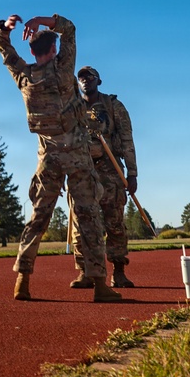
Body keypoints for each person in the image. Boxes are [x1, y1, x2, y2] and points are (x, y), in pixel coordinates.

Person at [0, 14, 120, 303]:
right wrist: (44, 20)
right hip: (77, 154)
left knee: (38, 217)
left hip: (49, 156)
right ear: (53, 50)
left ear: (31, 51)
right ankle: (100, 285)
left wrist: (3, 30)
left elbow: (5, 52)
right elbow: (70, 30)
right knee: (88, 215)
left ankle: (22, 281)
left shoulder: (24, 76)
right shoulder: (65, 71)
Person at [67, 65, 138, 288]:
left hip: (110, 170)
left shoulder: (114, 106)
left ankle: (119, 271)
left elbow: (127, 139)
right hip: (81, 170)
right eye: (81, 78)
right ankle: (86, 272)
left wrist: (132, 173)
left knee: (114, 221)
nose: (86, 80)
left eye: (90, 77)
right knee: (81, 222)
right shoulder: (71, 107)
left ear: (99, 81)